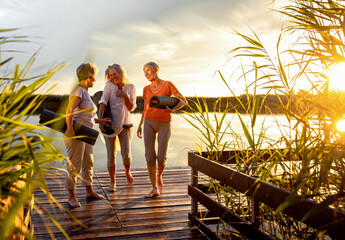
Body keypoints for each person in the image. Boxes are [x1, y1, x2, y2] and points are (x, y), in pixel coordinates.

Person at [137, 61, 187, 198]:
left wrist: (172, 109)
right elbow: (146, 108)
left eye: (148, 70)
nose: (146, 73)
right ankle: (154, 188)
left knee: (161, 157)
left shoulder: (168, 85)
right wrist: (140, 125)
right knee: (149, 156)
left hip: (164, 124)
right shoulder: (146, 89)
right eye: (144, 71)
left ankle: (159, 175)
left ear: (156, 70)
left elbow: (183, 101)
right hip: (148, 123)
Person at [64, 62, 111, 208]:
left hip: (88, 133)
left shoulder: (85, 93)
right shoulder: (78, 91)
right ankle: (71, 196)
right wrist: (70, 129)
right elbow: (69, 109)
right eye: (94, 77)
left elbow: (87, 116)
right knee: (75, 165)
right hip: (77, 133)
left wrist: (101, 120)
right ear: (88, 76)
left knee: (88, 163)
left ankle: (89, 191)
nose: (95, 80)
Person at [98, 64, 137, 192]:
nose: (113, 77)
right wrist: (101, 121)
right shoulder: (109, 86)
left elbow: (131, 107)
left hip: (125, 125)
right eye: (110, 75)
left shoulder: (131, 87)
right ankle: (112, 182)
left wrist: (125, 95)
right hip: (110, 125)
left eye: (115, 74)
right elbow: (102, 102)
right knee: (111, 155)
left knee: (126, 155)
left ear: (121, 73)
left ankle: (127, 172)